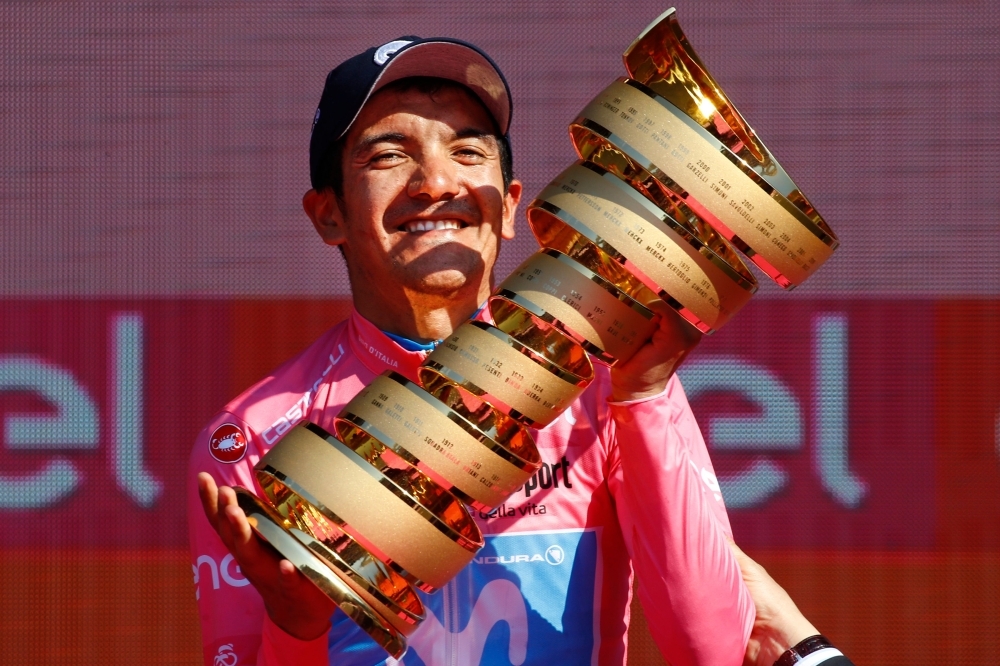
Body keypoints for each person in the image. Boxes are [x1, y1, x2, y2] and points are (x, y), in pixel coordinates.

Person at [189, 36, 850, 666]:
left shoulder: (603, 394)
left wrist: (646, 396)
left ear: (509, 206)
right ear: (327, 214)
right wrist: (296, 628)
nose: (435, 181)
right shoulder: (253, 438)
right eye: (388, 155)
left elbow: (709, 652)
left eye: (468, 151)